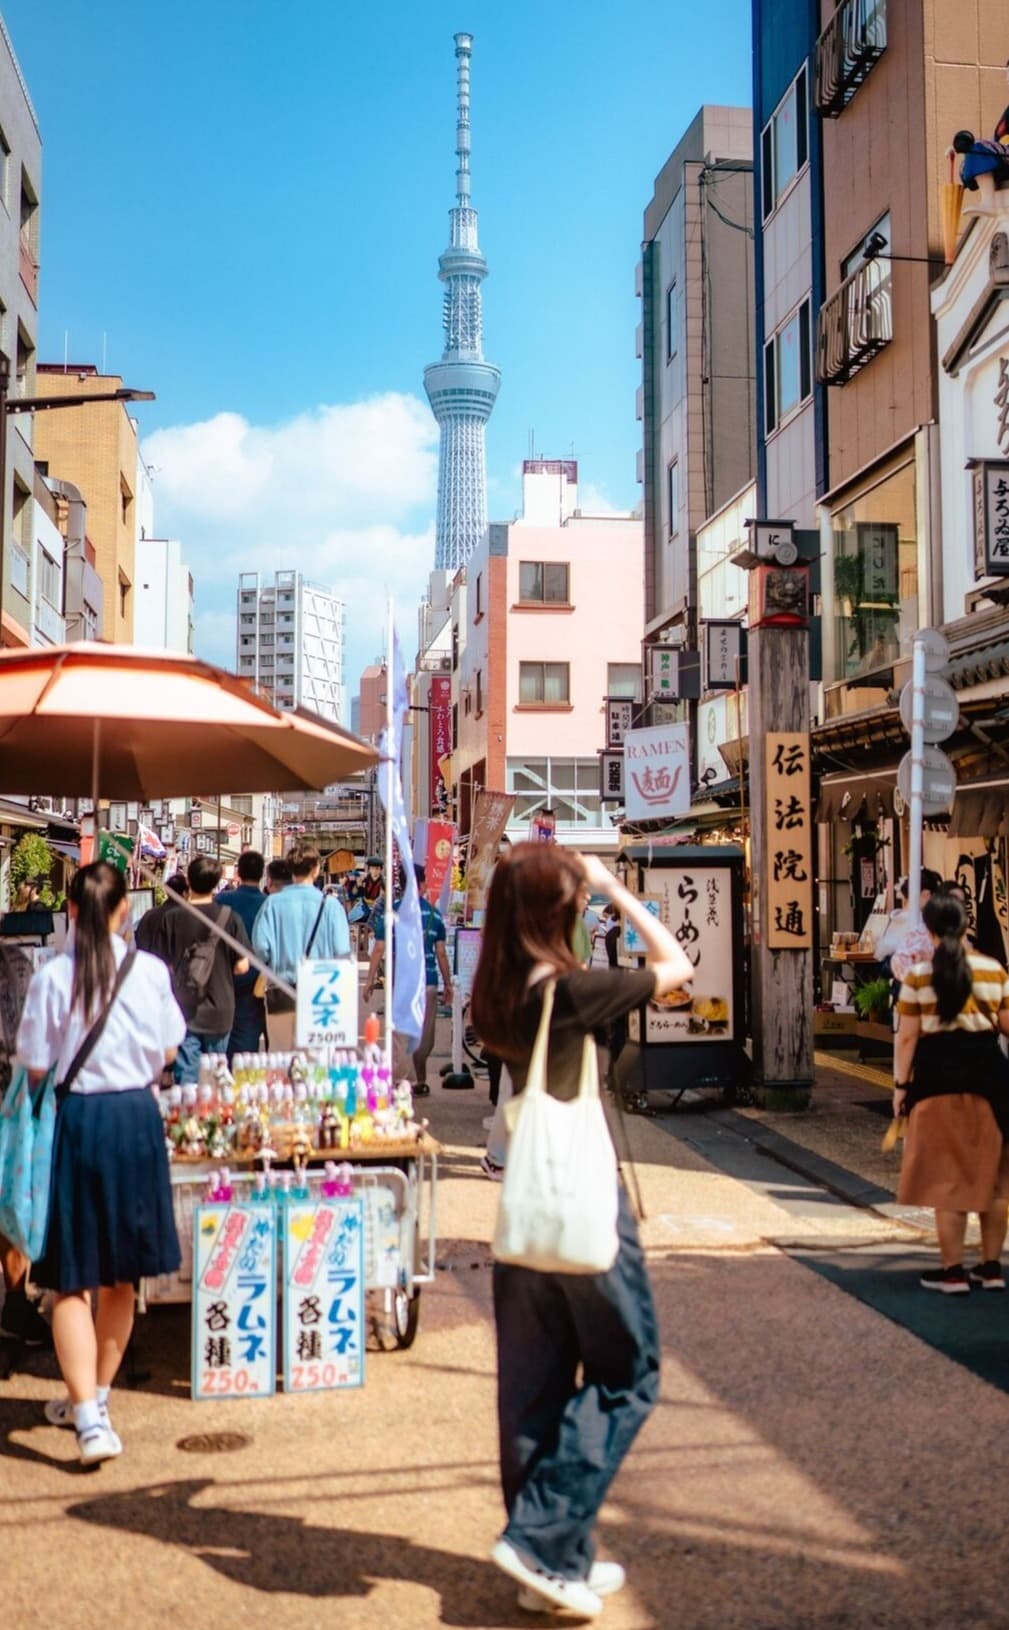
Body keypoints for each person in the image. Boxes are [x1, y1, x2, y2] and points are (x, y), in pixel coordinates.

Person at [470, 843, 693, 1617]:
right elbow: (676, 966)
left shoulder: (498, 993)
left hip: (524, 1220)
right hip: (582, 1207)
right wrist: (617, 890)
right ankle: (541, 1538)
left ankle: (553, 1558)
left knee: (531, 1389)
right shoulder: (571, 990)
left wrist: (578, 885)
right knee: (628, 1373)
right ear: (556, 911)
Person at [15, 862, 185, 1465]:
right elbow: (169, 1049)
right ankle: (98, 1398)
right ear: (123, 911)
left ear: (71, 911)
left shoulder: (54, 977)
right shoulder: (151, 973)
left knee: (70, 1276)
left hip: (78, 1123)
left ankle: (86, 1414)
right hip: (137, 1120)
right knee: (122, 1275)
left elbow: (34, 1066)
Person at [894, 891, 1009, 1294]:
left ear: (928, 929)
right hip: (992, 1082)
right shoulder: (994, 970)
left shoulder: (919, 977)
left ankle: (953, 1272)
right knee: (996, 1181)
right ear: (966, 925)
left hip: (937, 1081)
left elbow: (908, 1039)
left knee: (947, 1180)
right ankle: (992, 1269)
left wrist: (900, 1087)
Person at [159, 856, 251, 1082]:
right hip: (221, 1006)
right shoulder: (230, 918)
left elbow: (164, 966)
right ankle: (213, 1116)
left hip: (184, 1007)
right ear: (217, 883)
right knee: (215, 1074)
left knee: (186, 1077)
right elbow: (242, 966)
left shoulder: (171, 918)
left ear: (188, 881)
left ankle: (187, 1116)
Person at [363, 864, 452, 1096]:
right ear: (421, 885)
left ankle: (403, 1079)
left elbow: (378, 949)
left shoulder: (391, 913)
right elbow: (441, 952)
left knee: (401, 1032)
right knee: (424, 1033)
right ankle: (416, 1078)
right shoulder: (433, 915)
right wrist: (448, 984)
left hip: (400, 981)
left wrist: (370, 980)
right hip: (428, 981)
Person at [0, 942, 51, 1346]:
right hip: (11, 1098)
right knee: (12, 1198)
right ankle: (15, 1301)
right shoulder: (17, 961)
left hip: (11, 1094)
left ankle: (16, 1303)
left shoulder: (17, 962)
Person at [252, 843, 351, 1050]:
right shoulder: (331, 906)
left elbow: (260, 948)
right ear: (316, 869)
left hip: (281, 990)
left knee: (281, 1059)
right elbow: (342, 954)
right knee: (318, 1063)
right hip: (322, 995)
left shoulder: (272, 903)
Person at [217, 850, 267, 1059]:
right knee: (247, 1039)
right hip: (254, 981)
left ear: (239, 872)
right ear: (262, 873)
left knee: (220, 1037)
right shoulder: (268, 903)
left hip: (222, 977)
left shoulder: (221, 899)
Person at [134, 872, 190, 964]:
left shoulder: (150, 914)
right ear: (184, 893)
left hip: (147, 965)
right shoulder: (185, 916)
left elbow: (139, 940)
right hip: (172, 969)